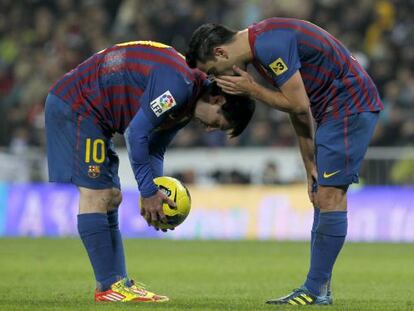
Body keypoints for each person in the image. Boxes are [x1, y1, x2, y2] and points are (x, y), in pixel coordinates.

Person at [186, 18, 383, 305]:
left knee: (330, 197)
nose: (221, 83)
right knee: (321, 195)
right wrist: (309, 165)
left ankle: (315, 291)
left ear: (220, 53)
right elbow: (299, 111)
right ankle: (317, 289)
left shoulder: (269, 45)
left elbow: (298, 104)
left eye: (216, 73)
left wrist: (252, 89)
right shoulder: (262, 45)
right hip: (332, 111)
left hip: (348, 105)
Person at [45, 40, 255, 303]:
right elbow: (136, 133)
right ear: (217, 98)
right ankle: (109, 287)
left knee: (112, 196)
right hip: (77, 105)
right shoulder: (180, 86)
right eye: (218, 123)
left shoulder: (187, 102)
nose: (211, 129)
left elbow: (155, 149)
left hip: (94, 115)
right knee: (97, 195)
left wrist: (157, 193)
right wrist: (147, 191)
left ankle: (117, 284)